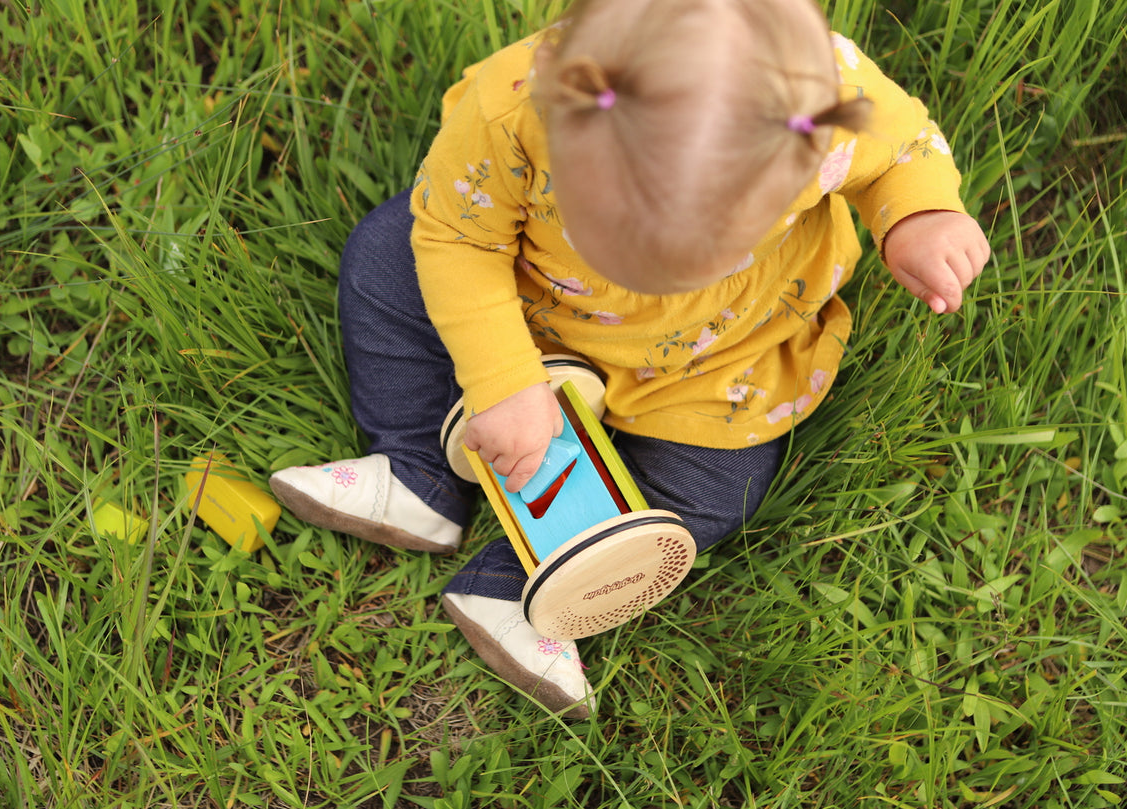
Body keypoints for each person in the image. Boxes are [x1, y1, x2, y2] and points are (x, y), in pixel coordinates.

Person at [269, 0, 990, 719]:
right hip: (531, 292)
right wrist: (503, 378)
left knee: (722, 483)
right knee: (386, 259)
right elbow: (459, 237)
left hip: (713, 351)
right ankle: (417, 467)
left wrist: (921, 216)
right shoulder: (515, 108)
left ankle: (521, 583)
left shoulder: (827, 100)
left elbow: (902, 150)